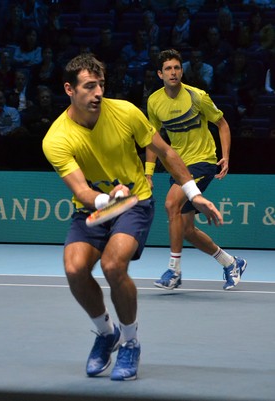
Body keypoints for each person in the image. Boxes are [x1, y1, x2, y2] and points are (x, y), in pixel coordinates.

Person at [42, 53, 223, 381]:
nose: (97, 92)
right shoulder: (55, 138)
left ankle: (129, 342)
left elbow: (167, 152)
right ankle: (105, 332)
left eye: (100, 85)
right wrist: (104, 199)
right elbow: (81, 190)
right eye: (89, 86)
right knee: (74, 268)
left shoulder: (125, 112)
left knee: (113, 265)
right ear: (70, 89)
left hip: (136, 202)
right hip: (93, 207)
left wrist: (195, 195)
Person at [146, 49, 247, 291]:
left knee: (171, 204)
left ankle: (174, 270)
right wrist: (148, 173)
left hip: (203, 160)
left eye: (177, 68)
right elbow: (152, 138)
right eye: (168, 69)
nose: (173, 72)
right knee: (187, 229)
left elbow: (221, 123)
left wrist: (225, 156)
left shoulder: (197, 96)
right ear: (160, 74)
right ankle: (231, 263)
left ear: (182, 71)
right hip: (178, 165)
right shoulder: (154, 102)